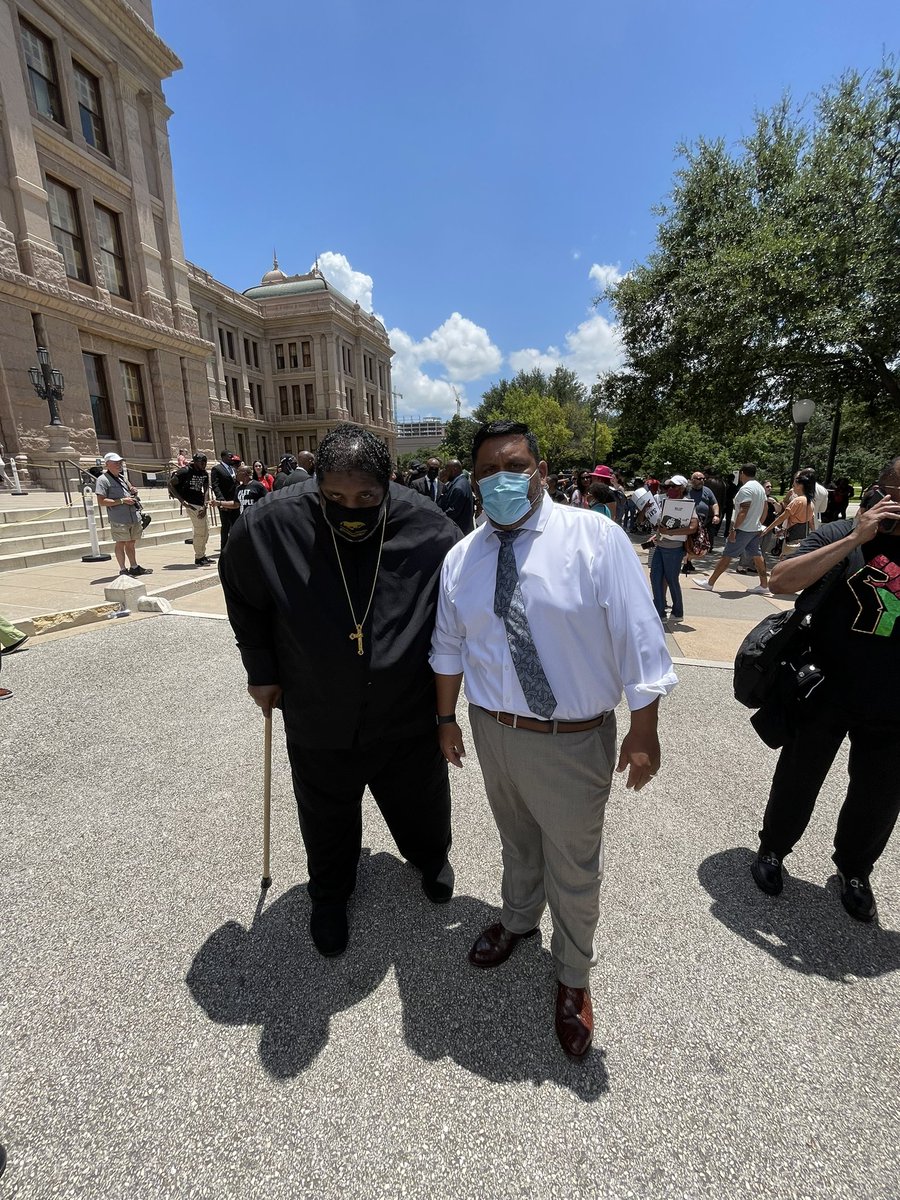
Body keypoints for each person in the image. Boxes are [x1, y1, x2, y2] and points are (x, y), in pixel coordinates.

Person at [430, 420, 676, 1058]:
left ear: (539, 471)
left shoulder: (594, 537)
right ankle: (517, 919)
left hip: (571, 738)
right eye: (487, 471)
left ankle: (572, 974)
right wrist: (446, 718)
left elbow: (637, 632)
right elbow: (449, 645)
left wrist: (644, 728)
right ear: (473, 482)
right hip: (492, 729)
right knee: (517, 841)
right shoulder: (463, 557)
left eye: (514, 466)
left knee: (573, 864)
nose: (501, 480)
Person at [220, 423, 461, 959]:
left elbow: (458, 612)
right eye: (334, 497)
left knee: (420, 798)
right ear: (317, 484)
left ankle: (430, 858)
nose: (350, 508)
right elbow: (243, 595)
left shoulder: (431, 529)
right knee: (325, 811)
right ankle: (330, 893)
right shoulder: (269, 525)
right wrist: (260, 670)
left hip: (404, 708)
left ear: (388, 483)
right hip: (317, 704)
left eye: (366, 498)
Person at [749, 461, 900, 922]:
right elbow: (781, 580)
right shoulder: (840, 532)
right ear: (880, 490)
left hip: (892, 701)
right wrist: (855, 538)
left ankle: (855, 870)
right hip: (826, 687)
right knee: (799, 776)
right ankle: (774, 848)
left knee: (879, 795)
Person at [694, 464, 771, 595]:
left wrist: (734, 529)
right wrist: (759, 524)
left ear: (742, 473)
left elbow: (743, 510)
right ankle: (764, 584)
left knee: (727, 555)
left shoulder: (746, 489)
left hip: (743, 529)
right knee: (757, 556)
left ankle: (710, 583)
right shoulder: (759, 487)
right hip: (754, 529)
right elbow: (765, 508)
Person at [94, 453, 152, 577]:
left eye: (119, 462)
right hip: (119, 518)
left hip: (132, 516)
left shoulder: (122, 477)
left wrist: (133, 490)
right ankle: (123, 569)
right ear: (107, 464)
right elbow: (101, 501)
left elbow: (130, 490)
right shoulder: (102, 480)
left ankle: (134, 567)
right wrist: (122, 501)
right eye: (115, 462)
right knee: (120, 543)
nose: (118, 465)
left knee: (131, 542)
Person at [650, 475, 699, 623]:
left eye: (674, 486)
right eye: (668, 486)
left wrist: (671, 532)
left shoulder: (688, 505)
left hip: (674, 549)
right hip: (660, 545)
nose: (670, 489)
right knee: (655, 577)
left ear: (682, 488)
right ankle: (659, 612)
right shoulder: (665, 502)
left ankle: (677, 612)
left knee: (671, 579)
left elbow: (693, 527)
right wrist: (658, 534)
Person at [169, 452, 214, 566]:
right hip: (191, 504)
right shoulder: (185, 471)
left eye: (205, 462)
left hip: (201, 504)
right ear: (196, 462)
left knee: (206, 531)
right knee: (200, 531)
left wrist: (205, 505)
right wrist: (182, 501)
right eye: (202, 463)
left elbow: (206, 490)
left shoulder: (204, 473)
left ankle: (202, 554)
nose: (204, 465)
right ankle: (199, 557)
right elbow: (170, 484)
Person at [760, 471, 815, 556]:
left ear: (800, 486)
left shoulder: (797, 501)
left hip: (793, 537)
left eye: (794, 486)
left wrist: (768, 529)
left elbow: (782, 517)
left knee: (785, 559)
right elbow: (811, 522)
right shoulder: (810, 502)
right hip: (803, 537)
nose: (792, 489)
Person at [682, 471, 719, 574]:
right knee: (689, 543)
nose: (702, 480)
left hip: (702, 522)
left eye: (703, 479)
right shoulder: (686, 490)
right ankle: (686, 563)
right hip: (689, 521)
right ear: (692, 480)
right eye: (699, 479)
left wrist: (716, 515)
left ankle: (688, 561)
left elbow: (714, 504)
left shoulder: (707, 491)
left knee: (702, 544)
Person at [210, 450, 240, 550]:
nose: (232, 458)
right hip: (224, 502)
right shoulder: (217, 469)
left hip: (234, 502)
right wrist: (221, 501)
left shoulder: (233, 469)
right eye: (229, 456)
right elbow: (215, 486)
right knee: (226, 526)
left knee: (236, 524)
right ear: (223, 457)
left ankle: (236, 547)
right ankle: (224, 549)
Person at [438, 459, 474, 533]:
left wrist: (438, 516)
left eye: (447, 470)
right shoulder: (462, 481)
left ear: (454, 470)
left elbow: (453, 512)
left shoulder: (458, 487)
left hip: (459, 531)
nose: (445, 472)